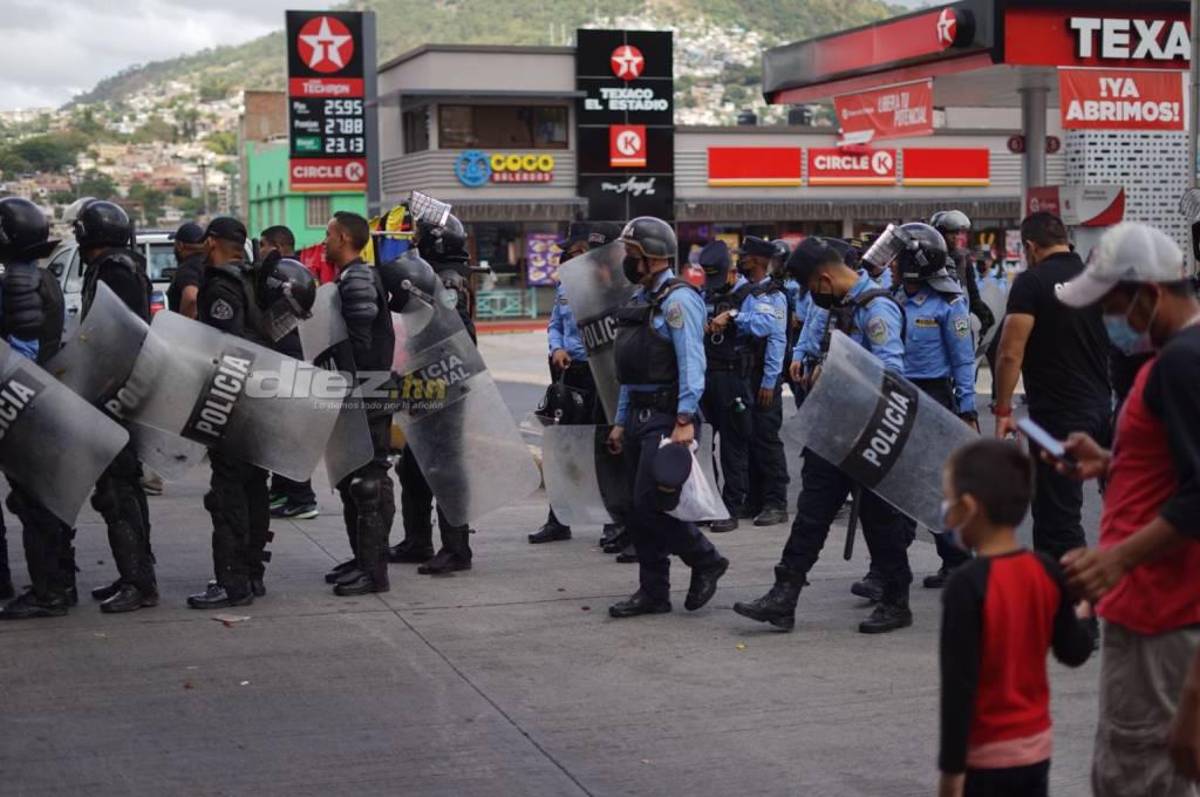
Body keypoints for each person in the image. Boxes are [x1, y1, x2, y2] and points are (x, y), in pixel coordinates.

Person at [1041, 223, 1200, 796]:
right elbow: (1177, 469)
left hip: (1162, 615)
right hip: (1153, 611)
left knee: (1136, 777)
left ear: (1151, 295)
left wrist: (1118, 561)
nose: (1111, 324)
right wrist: (1113, 462)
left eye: (1115, 308)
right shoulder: (1173, 361)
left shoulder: (1183, 363)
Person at [734, 237, 913, 634]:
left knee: (880, 519)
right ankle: (784, 596)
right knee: (811, 512)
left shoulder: (876, 308)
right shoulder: (838, 305)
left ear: (826, 278)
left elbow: (891, 374)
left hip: (869, 433)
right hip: (833, 428)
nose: (812, 297)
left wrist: (836, 374)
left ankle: (896, 600)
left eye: (813, 287)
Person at [937, 439, 1092, 797]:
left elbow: (959, 689)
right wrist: (1084, 609)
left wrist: (951, 773)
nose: (946, 511)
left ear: (969, 507)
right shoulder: (1045, 571)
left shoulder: (965, 586)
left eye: (950, 501)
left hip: (985, 757)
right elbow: (1074, 651)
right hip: (1036, 750)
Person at [605, 216, 729, 618]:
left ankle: (705, 557)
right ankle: (654, 592)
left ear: (653, 257)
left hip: (666, 415)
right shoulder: (641, 300)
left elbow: (692, 361)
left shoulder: (679, 300)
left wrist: (685, 417)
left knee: (649, 505)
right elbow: (631, 372)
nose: (627, 260)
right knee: (638, 510)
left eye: (632, 254)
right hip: (640, 416)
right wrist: (621, 421)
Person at [992, 212, 1111, 562]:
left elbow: (1010, 352)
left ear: (1030, 246)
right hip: (1105, 407)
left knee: (1057, 518)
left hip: (1056, 417)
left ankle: (1072, 608)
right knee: (1125, 508)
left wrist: (1002, 410)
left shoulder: (1032, 282)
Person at [73, 199, 158, 614]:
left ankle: (139, 582)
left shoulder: (117, 269)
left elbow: (120, 335)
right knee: (116, 489)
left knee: (119, 490)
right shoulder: (114, 266)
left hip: (116, 393)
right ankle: (133, 575)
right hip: (110, 389)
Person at [187, 217, 272, 609]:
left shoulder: (221, 283)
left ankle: (232, 581)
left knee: (227, 493)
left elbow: (225, 346)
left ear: (213, 242)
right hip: (260, 399)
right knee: (254, 487)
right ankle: (253, 574)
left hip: (234, 398)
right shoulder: (255, 279)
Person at [389, 212, 477, 575]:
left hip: (443, 384)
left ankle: (457, 549)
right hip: (424, 379)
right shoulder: (433, 275)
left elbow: (457, 335)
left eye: (419, 238)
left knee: (444, 466)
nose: (413, 243)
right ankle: (417, 540)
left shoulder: (448, 280)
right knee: (412, 465)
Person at [891, 223, 977, 590]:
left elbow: (963, 358)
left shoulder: (948, 303)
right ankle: (887, 565)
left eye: (898, 257)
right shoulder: (890, 300)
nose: (891, 263)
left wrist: (969, 409)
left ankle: (956, 560)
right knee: (892, 482)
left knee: (933, 485)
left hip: (934, 395)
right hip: (896, 392)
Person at [0, 197, 74, 619]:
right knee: (42, 496)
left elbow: (22, 350)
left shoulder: (18, 280)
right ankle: (57, 582)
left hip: (26, 401)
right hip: (42, 397)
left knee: (32, 500)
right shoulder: (38, 276)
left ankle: (50, 591)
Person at [530, 220, 624, 545]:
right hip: (572, 374)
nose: (568, 256)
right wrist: (556, 347)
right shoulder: (566, 285)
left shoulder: (615, 288)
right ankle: (559, 519)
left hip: (606, 376)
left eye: (574, 251)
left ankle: (613, 521)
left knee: (605, 448)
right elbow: (555, 324)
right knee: (563, 448)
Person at [320, 212, 397, 596]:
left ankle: (374, 571)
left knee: (369, 483)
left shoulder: (361, 279)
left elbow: (361, 346)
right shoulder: (348, 278)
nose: (324, 241)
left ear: (346, 237)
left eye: (329, 234)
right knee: (354, 481)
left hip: (368, 393)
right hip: (355, 394)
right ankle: (363, 559)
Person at [722, 236, 789, 527]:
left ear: (759, 261)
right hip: (744, 372)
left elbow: (774, 336)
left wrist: (770, 381)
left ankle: (776, 502)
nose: (741, 259)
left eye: (746, 256)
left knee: (766, 439)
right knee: (747, 435)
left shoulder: (773, 294)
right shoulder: (744, 290)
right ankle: (754, 499)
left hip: (764, 376)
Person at [258, 225, 319, 521]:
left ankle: (302, 498)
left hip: (290, 355)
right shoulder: (298, 273)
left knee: (290, 432)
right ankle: (282, 489)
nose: (259, 252)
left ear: (277, 247)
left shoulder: (286, 276)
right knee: (281, 431)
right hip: (292, 354)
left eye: (263, 245)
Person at [698, 239, 751, 533]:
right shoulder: (702, 293)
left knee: (732, 446)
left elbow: (766, 326)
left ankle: (732, 506)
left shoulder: (747, 295)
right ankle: (710, 502)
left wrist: (732, 315)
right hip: (706, 377)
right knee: (704, 443)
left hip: (733, 378)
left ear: (732, 270)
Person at [931, 210, 994, 342]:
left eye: (957, 233)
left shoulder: (963, 259)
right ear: (940, 234)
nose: (955, 237)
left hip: (960, 320)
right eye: (951, 233)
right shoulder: (929, 259)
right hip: (933, 322)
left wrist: (984, 317)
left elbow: (972, 292)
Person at [166, 221, 206, 319]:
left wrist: (184, 327)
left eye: (175, 243)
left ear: (180, 245)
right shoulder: (207, 263)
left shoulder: (188, 267)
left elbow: (191, 298)